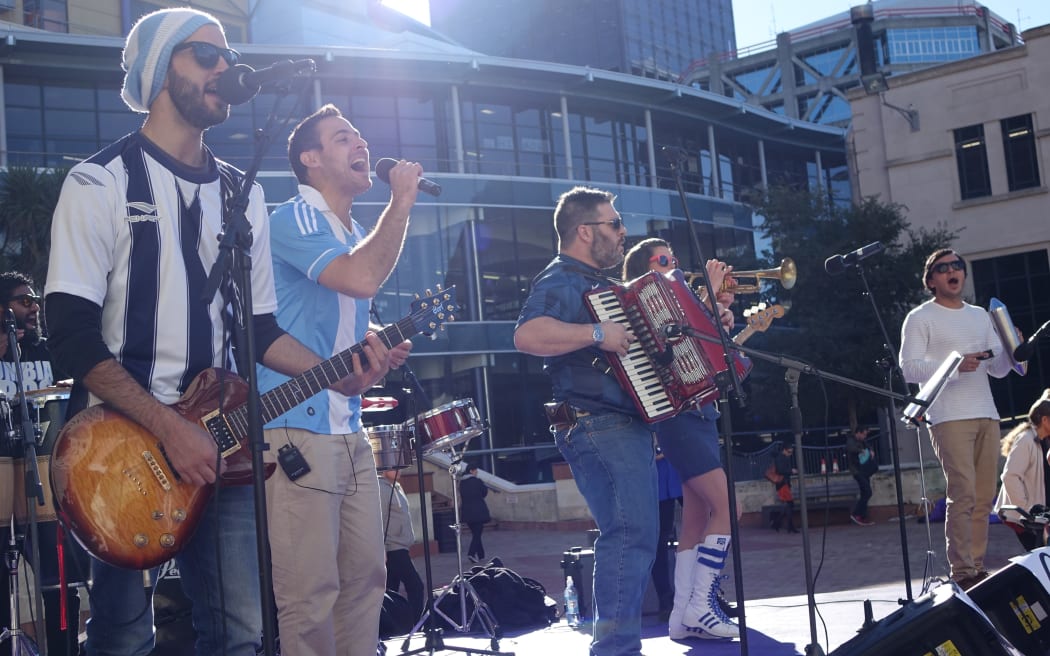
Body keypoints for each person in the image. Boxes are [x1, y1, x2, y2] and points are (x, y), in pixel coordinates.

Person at [45, 9, 390, 654]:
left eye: (227, 56)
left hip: (225, 446)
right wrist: (170, 425)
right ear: (157, 71)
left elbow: (259, 332)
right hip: (118, 450)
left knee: (242, 632)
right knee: (121, 635)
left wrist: (337, 369)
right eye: (205, 56)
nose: (224, 68)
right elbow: (69, 334)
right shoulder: (99, 181)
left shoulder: (244, 195)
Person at [257, 102, 414, 656]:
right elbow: (361, 277)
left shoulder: (348, 231)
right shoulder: (294, 218)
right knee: (310, 592)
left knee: (366, 581)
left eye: (359, 135)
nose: (361, 144)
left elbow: (338, 312)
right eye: (343, 137)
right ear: (310, 158)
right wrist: (402, 201)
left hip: (348, 431)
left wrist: (375, 350)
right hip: (297, 431)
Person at [514, 186, 654, 656]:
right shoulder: (560, 279)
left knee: (632, 534)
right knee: (630, 535)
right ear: (584, 231)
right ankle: (615, 650)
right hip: (597, 422)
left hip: (615, 423)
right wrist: (598, 333)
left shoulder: (598, 283)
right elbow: (528, 335)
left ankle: (616, 647)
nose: (622, 233)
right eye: (615, 225)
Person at [620, 238, 738, 640]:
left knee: (696, 517)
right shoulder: (646, 304)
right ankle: (702, 605)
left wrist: (717, 317)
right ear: (646, 267)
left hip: (699, 413)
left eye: (673, 257)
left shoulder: (673, 301)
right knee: (728, 508)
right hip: (681, 416)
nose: (674, 264)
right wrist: (706, 300)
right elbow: (670, 350)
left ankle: (681, 616)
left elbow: (701, 351)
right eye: (664, 259)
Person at [899, 248, 1013, 589]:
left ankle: (976, 567)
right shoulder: (920, 317)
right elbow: (909, 369)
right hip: (948, 416)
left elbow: (998, 370)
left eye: (957, 266)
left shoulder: (980, 316)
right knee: (962, 492)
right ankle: (962, 571)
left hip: (986, 413)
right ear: (931, 279)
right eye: (943, 267)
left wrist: (1012, 350)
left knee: (983, 496)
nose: (953, 270)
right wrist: (953, 365)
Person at [0, 272, 81, 656]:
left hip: (42, 475)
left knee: (57, 577)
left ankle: (64, 648)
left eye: (35, 300)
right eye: (24, 301)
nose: (34, 308)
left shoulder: (49, 352)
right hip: (2, 473)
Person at [994, 389, 1050, 551]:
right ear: (1045, 420)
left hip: (1038, 514)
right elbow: (1010, 476)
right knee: (1039, 554)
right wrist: (1026, 511)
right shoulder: (1026, 440)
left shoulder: (1044, 440)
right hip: (1024, 516)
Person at [379, 469, 425, 622]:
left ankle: (395, 625)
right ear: (384, 469)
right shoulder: (381, 489)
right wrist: (381, 548)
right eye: (392, 467)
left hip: (400, 546)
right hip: (393, 548)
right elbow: (378, 520)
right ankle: (414, 624)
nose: (398, 469)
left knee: (391, 591)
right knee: (416, 587)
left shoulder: (397, 486)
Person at [458, 463, 491, 564]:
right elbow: (484, 492)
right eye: (475, 470)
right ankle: (471, 553)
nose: (477, 472)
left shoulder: (462, 483)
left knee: (476, 533)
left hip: (467, 513)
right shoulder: (477, 481)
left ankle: (481, 555)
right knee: (477, 533)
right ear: (471, 471)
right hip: (478, 512)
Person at [846, 426, 877, 526]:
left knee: (865, 493)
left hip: (864, 470)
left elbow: (868, 446)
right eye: (863, 434)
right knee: (867, 491)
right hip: (857, 471)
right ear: (858, 433)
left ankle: (862, 516)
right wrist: (861, 451)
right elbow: (851, 448)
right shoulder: (851, 440)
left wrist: (871, 450)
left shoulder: (863, 441)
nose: (865, 436)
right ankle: (856, 514)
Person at [771, 444, 799, 533]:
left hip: (784, 483)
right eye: (789, 452)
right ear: (784, 450)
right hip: (782, 484)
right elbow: (780, 470)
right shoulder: (780, 458)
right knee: (790, 504)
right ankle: (783, 524)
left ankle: (778, 523)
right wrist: (791, 471)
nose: (790, 454)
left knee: (788, 505)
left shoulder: (782, 457)